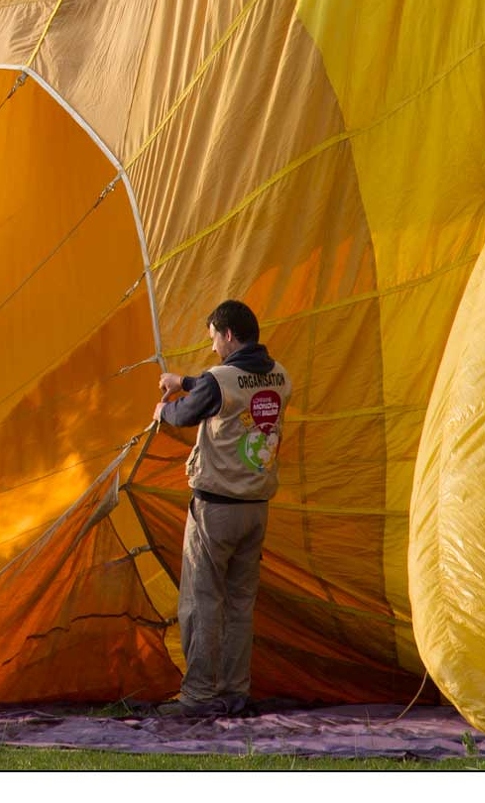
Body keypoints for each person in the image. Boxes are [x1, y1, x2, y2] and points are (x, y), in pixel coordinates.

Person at [150, 299, 292, 717]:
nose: (212, 346)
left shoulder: (219, 379)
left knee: (201, 601)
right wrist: (187, 379)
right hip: (256, 509)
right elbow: (229, 387)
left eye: (213, 337)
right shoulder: (280, 375)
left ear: (228, 334)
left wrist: (164, 408)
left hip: (215, 512)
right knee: (239, 604)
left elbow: (188, 413)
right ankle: (234, 691)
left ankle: (197, 696)